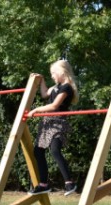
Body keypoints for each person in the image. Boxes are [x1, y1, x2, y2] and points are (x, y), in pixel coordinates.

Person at [27, 60, 78, 196]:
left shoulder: (66, 88)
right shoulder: (56, 87)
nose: (52, 76)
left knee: (55, 150)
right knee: (38, 151)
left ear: (62, 72)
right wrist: (42, 80)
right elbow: (44, 94)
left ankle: (69, 182)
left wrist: (36, 109)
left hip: (58, 122)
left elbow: (54, 106)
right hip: (47, 122)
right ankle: (43, 184)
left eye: (53, 73)